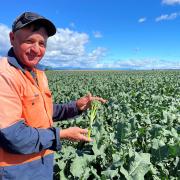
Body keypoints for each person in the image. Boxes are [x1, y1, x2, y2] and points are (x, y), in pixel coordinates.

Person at [0, 11, 106, 180]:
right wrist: (61, 135)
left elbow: (44, 111)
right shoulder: (5, 75)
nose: (36, 49)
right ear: (12, 38)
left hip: (41, 167)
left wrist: (76, 106)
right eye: (29, 41)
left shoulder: (37, 73)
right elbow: (13, 136)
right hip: (16, 172)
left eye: (42, 43)